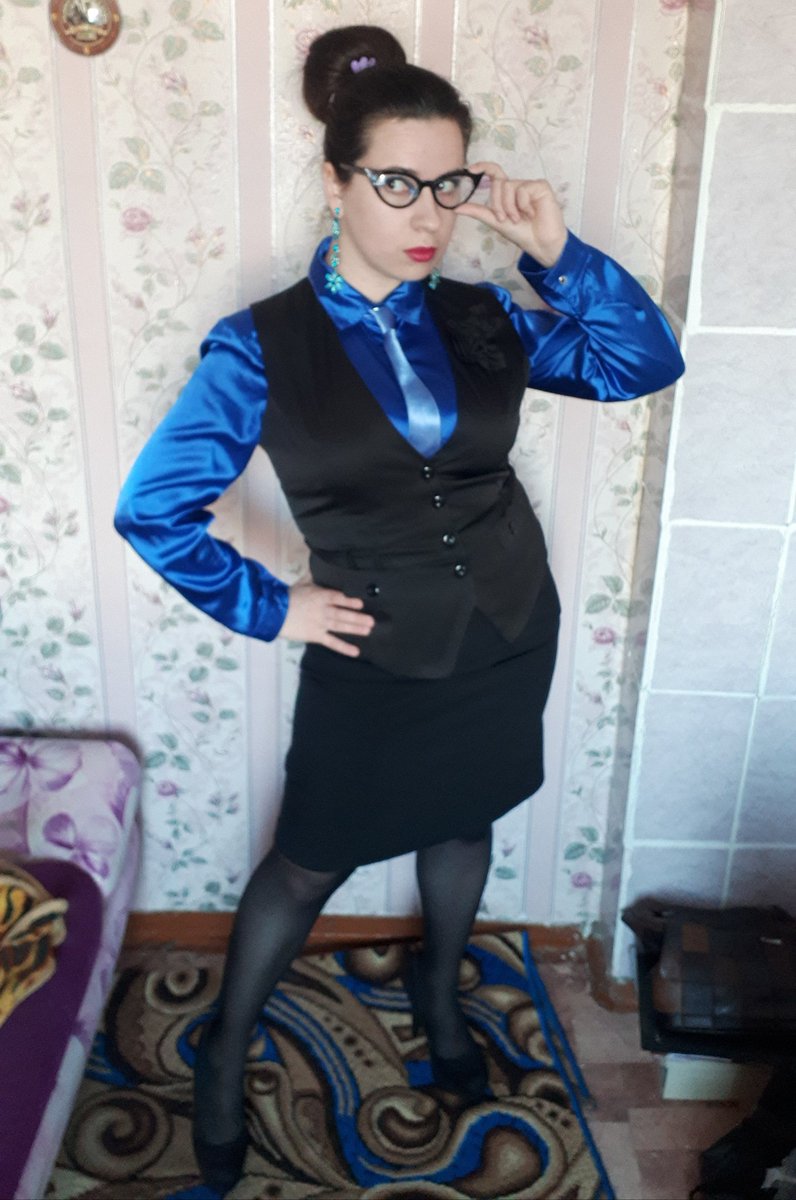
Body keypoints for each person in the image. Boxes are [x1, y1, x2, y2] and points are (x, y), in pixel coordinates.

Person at [114, 24, 685, 1194]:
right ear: (335, 180)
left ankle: (438, 995)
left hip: (509, 627)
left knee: (464, 822)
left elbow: (640, 363)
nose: (428, 214)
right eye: (395, 183)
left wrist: (556, 250)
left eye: (448, 183)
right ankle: (224, 1052)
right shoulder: (261, 345)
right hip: (372, 650)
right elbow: (152, 509)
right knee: (305, 863)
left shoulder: (482, 315)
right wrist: (271, 608)